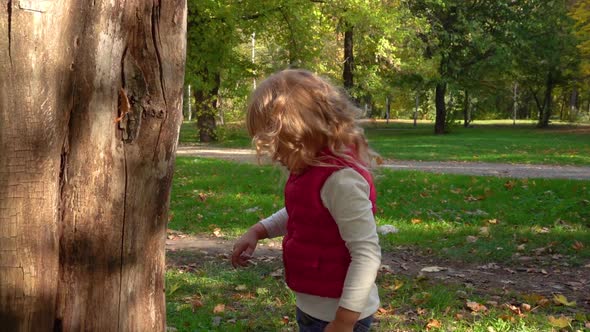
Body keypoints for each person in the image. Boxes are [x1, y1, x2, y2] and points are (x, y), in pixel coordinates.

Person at [231, 69, 381, 332]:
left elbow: (366, 254)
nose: (274, 155)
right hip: (313, 308)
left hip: (342, 315)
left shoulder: (342, 180)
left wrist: (344, 321)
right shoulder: (310, 171)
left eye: (277, 145)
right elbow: (301, 211)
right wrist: (259, 230)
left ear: (300, 135)